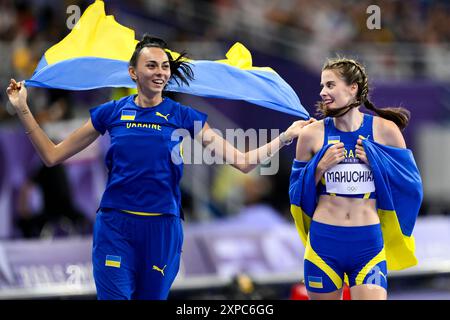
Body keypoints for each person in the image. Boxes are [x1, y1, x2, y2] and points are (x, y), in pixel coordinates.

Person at [6, 34, 314, 300]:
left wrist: (286, 136)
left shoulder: (183, 115)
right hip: (115, 228)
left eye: (165, 66)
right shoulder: (110, 112)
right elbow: (52, 155)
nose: (160, 72)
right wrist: (22, 109)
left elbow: (242, 162)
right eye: (151, 65)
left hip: (162, 231)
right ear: (132, 72)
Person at [290, 57, 421, 300]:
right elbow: (295, 191)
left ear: (353, 88)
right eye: (322, 86)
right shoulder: (311, 134)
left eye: (330, 85)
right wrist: (319, 168)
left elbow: (410, 185)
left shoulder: (385, 130)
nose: (322, 92)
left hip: (367, 244)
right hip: (324, 243)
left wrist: (377, 163)